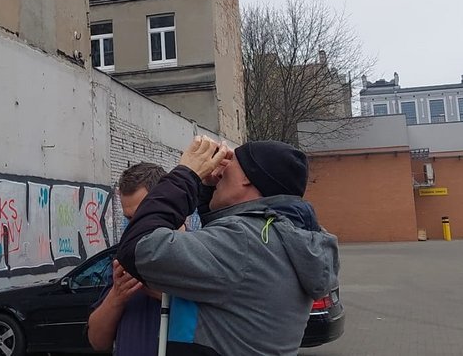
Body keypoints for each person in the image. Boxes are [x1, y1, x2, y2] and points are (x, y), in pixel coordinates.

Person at [117, 137, 339, 356]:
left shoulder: (242, 242)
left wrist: (186, 175)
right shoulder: (280, 237)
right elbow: (215, 246)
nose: (219, 171)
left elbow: (139, 248)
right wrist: (207, 189)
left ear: (247, 179)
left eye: (229, 164)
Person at [88, 162, 167, 355]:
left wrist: (166, 294)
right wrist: (117, 296)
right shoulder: (124, 261)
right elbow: (97, 341)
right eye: (129, 219)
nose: (134, 227)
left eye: (141, 217)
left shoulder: (198, 255)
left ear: (167, 204)